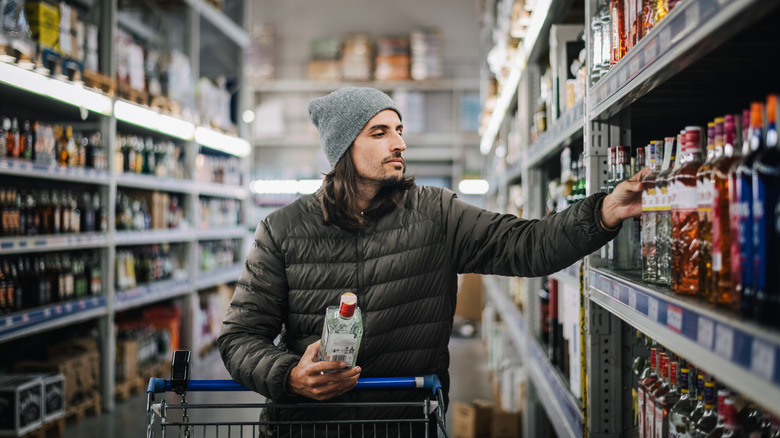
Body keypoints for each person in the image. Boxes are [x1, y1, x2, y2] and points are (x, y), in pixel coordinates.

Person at [218, 87, 647, 432]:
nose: (400, 143)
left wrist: (604, 212)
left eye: (399, 130)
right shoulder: (282, 230)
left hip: (404, 424)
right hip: (308, 427)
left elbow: (528, 244)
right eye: (380, 132)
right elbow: (240, 338)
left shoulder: (436, 214)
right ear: (344, 146)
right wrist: (289, 374)